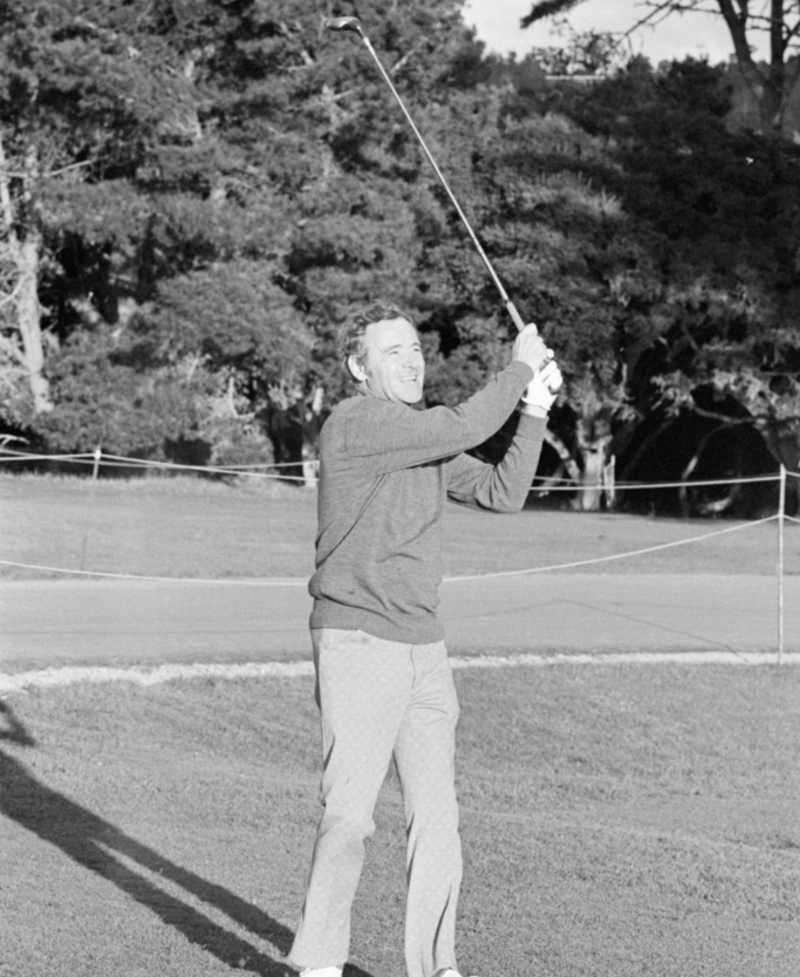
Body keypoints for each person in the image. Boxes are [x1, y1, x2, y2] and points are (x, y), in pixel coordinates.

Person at [289, 302, 561, 977]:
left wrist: (535, 410)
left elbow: (503, 491)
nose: (410, 360)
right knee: (349, 815)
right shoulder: (356, 424)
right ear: (359, 367)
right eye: (392, 352)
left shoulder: (421, 439)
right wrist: (519, 366)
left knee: (437, 819)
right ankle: (320, 963)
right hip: (357, 639)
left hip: (424, 649)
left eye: (414, 348)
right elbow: (467, 420)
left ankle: (438, 966)